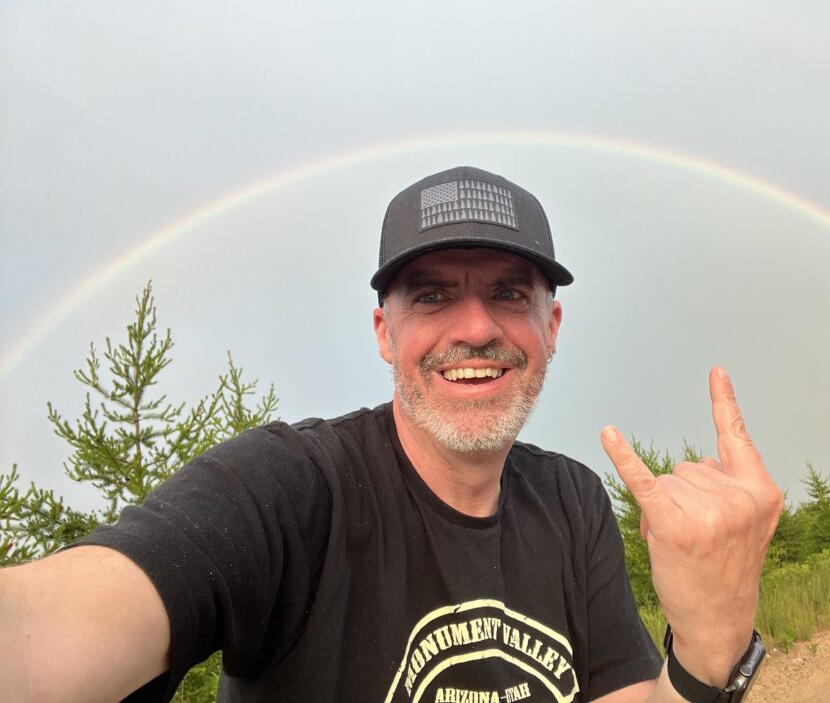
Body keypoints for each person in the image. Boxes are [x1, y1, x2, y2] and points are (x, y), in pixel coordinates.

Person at [0, 166, 783, 703]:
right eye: (432, 295)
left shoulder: (572, 501)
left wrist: (709, 651)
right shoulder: (286, 489)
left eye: (510, 293)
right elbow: (48, 629)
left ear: (552, 324)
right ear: (384, 331)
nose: (475, 328)